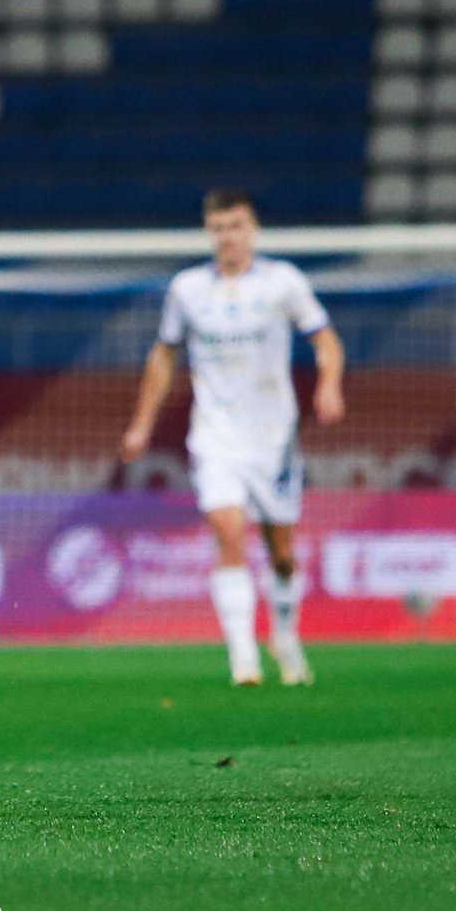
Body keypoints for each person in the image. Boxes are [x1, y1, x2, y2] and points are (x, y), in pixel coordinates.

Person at [121, 189, 344, 687]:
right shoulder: (187, 289)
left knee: (282, 554)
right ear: (209, 232)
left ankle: (284, 634)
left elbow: (325, 338)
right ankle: (242, 656)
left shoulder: (283, 281)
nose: (227, 237)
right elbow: (164, 355)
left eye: (236, 226)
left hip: (273, 437)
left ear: (253, 230)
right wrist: (141, 423)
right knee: (229, 533)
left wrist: (329, 384)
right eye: (218, 228)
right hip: (215, 435)